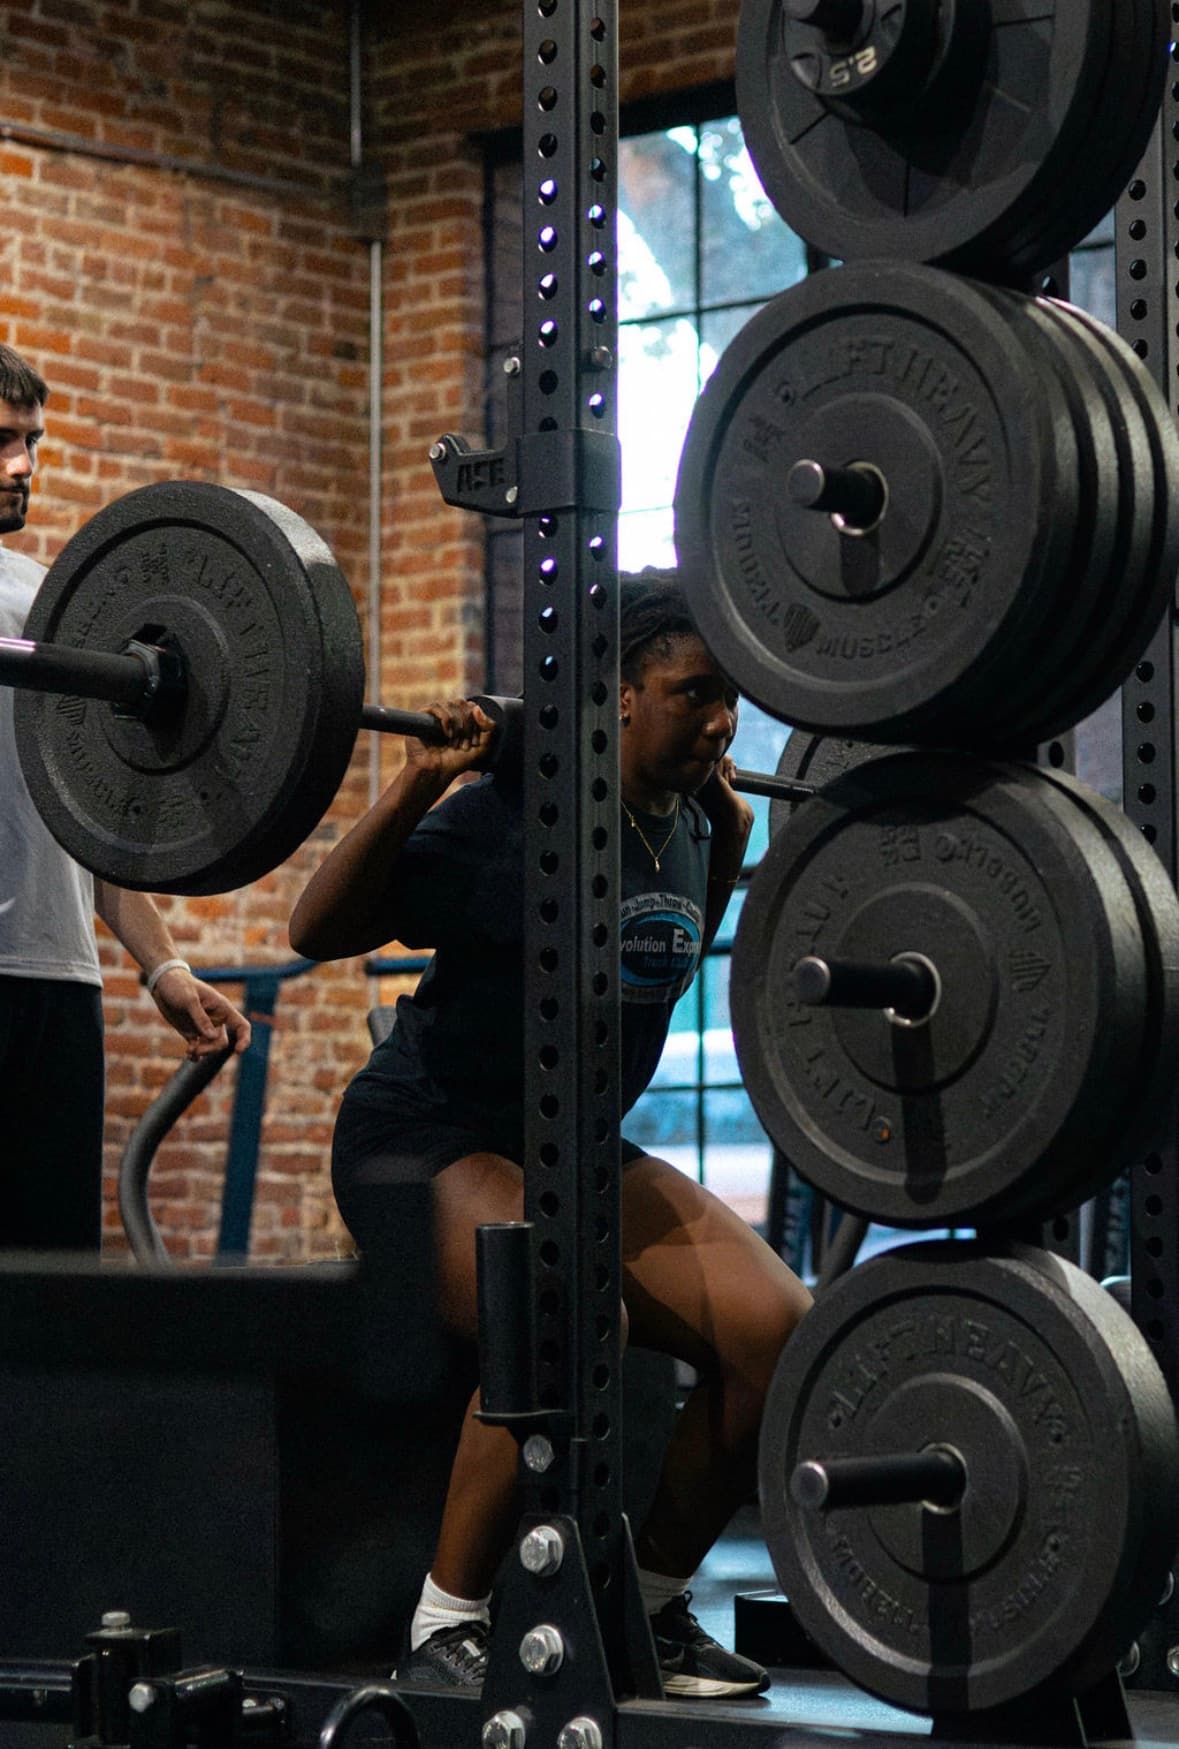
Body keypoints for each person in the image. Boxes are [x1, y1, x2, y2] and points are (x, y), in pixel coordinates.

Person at [289, 573, 812, 1700]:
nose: (721, 722)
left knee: (778, 1330)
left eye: (732, 699)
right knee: (564, 1310)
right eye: (694, 693)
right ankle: (444, 1622)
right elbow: (314, 926)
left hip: (567, 1147)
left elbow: (664, 953)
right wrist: (420, 782)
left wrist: (729, 838)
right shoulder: (513, 817)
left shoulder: (698, 824)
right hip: (422, 1138)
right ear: (620, 697)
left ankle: (653, 1609)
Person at [0, 343, 251, 1250]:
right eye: (2, 441)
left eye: (32, 441)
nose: (23, 465)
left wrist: (163, 967)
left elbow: (90, 813)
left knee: (53, 1279)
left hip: (57, 981)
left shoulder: (49, 604)